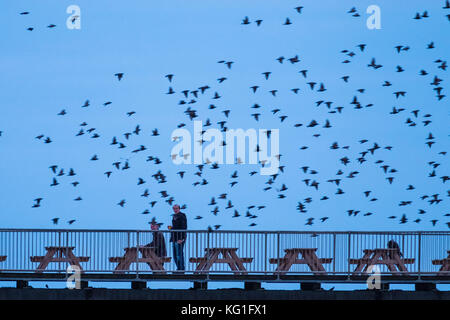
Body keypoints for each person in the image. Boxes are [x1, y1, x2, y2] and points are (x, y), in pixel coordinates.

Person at [169, 204, 187, 271]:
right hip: (174, 237)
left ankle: (181, 268)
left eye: (176, 208)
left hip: (180, 238)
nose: (175, 210)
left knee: (179, 254)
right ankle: (179, 268)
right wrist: (171, 228)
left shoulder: (182, 215)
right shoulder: (174, 216)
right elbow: (176, 226)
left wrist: (182, 238)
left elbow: (184, 227)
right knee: (175, 254)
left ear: (179, 209)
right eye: (174, 208)